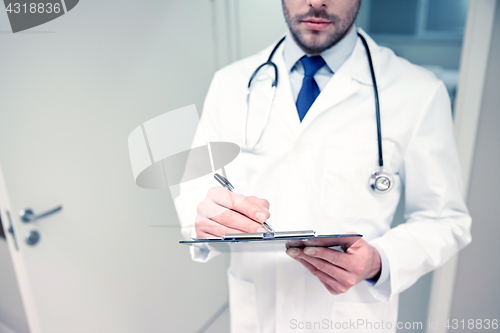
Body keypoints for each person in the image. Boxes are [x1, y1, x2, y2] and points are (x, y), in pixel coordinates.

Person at [174, 0, 472, 332]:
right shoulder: (230, 83)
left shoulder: (417, 91)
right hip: (257, 315)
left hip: (351, 317)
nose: (317, 2)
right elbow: (195, 196)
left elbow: (445, 220)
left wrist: (378, 261)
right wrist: (206, 219)